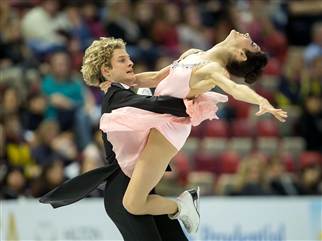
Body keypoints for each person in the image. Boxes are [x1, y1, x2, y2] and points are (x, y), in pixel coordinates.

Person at [98, 29, 288, 233]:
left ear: (241, 55)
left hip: (168, 130)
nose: (248, 35)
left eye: (251, 44)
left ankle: (183, 206)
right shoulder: (193, 53)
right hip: (157, 114)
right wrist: (122, 81)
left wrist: (260, 100)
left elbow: (234, 89)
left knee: (133, 204)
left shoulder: (213, 69)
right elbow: (156, 77)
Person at [40, 39, 192, 240]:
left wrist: (181, 66)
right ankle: (185, 204)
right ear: (106, 71)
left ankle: (185, 205)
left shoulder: (121, 95)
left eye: (129, 58)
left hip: (139, 188)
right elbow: (158, 105)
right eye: (122, 60)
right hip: (123, 193)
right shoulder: (117, 98)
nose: (130, 63)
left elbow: (155, 83)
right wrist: (191, 104)